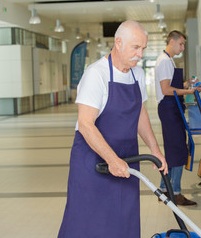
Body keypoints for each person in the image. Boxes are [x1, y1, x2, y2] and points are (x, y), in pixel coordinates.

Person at [58, 20, 168, 238]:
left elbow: (140, 114)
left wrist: (155, 150)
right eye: (136, 47)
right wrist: (111, 159)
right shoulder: (96, 74)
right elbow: (86, 125)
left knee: (123, 221)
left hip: (127, 159)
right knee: (89, 224)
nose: (140, 54)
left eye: (143, 48)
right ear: (118, 43)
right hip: (93, 163)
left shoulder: (136, 74)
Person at [155, 30, 201, 206]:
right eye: (181, 44)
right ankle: (175, 192)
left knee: (174, 149)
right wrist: (189, 92)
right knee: (177, 150)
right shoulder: (164, 62)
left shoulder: (169, 61)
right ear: (172, 41)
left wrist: (188, 84)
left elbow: (173, 86)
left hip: (172, 107)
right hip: (169, 108)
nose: (183, 47)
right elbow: (166, 90)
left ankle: (164, 188)